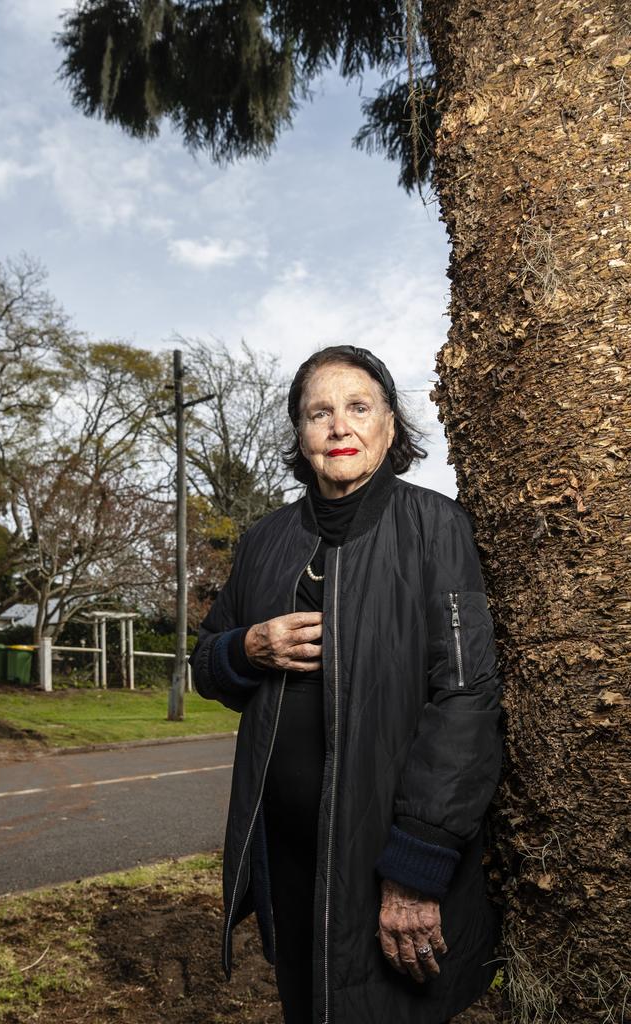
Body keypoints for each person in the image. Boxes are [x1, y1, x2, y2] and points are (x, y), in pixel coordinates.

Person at [191, 345, 502, 1024]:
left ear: (390, 427)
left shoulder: (435, 528)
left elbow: (466, 700)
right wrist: (246, 647)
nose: (339, 426)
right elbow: (203, 663)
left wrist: (416, 870)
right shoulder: (264, 541)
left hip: (387, 858)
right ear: (300, 437)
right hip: (289, 858)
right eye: (318, 412)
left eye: (358, 407)